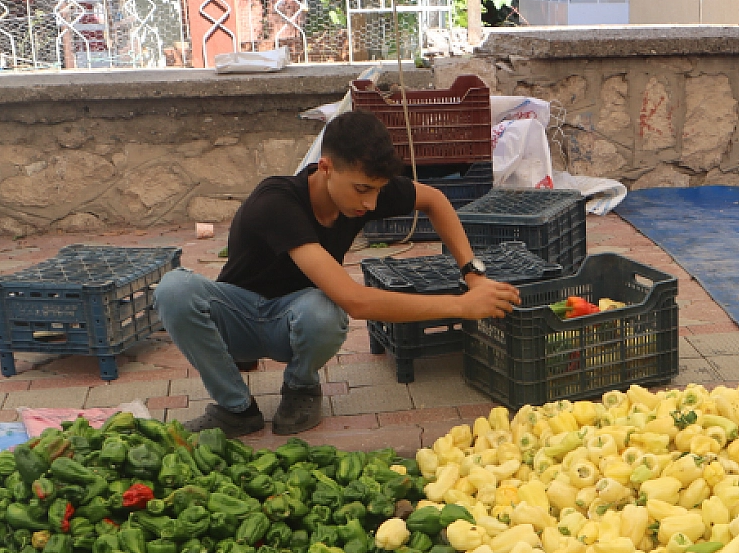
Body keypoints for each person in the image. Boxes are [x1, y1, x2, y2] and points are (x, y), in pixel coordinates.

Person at [154, 109, 521, 436]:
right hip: (236, 323)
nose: (371, 204)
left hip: (296, 323)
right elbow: (357, 301)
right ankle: (235, 409)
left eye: (377, 191)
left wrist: (473, 272)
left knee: (323, 311)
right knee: (174, 288)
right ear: (325, 167)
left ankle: (301, 387)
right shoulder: (277, 202)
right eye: (362, 190)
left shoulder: (363, 191)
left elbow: (435, 200)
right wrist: (463, 305)